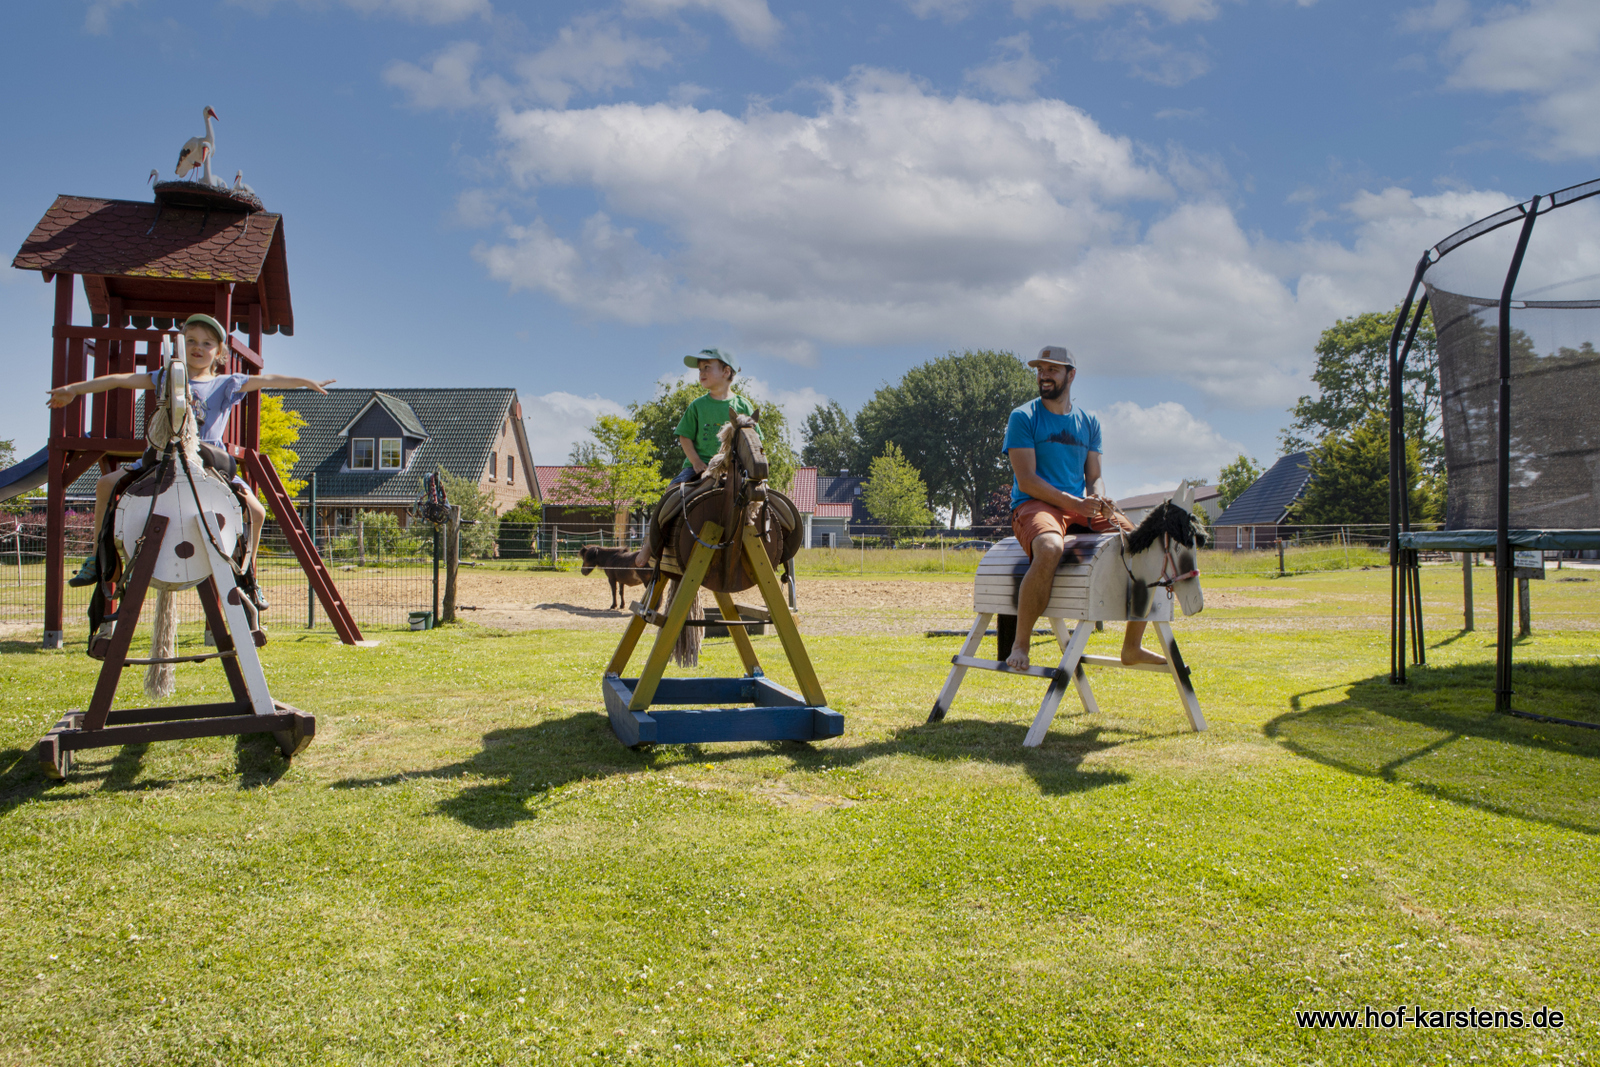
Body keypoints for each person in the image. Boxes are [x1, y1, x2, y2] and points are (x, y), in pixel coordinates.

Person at [47, 313, 333, 596]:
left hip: (207, 457)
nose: (199, 347)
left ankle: (248, 574)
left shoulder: (226, 383)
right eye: (191, 340)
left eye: (207, 343)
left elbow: (268, 379)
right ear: (180, 346)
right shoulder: (164, 378)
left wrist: (305, 381)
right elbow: (121, 379)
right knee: (105, 484)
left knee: (257, 512)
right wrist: (74, 389)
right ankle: (98, 558)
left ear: (219, 352)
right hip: (163, 454)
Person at [1002, 344, 1165, 671]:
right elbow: (1028, 481)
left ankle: (1132, 647)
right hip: (1035, 504)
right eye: (1040, 369)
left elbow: (1095, 477)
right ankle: (1020, 644)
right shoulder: (1023, 417)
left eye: (1052, 369)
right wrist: (1077, 502)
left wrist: (1100, 499)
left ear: (1070, 375)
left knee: (1145, 544)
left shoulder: (1089, 422)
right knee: (1049, 547)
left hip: (1077, 506)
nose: (1043, 375)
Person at [671, 348, 761, 487]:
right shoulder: (697, 406)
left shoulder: (743, 405)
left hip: (735, 468)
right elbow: (684, 436)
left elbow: (755, 440)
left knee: (762, 494)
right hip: (699, 467)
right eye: (700, 369)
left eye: (706, 367)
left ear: (726, 372)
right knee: (673, 491)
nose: (701, 372)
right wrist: (696, 461)